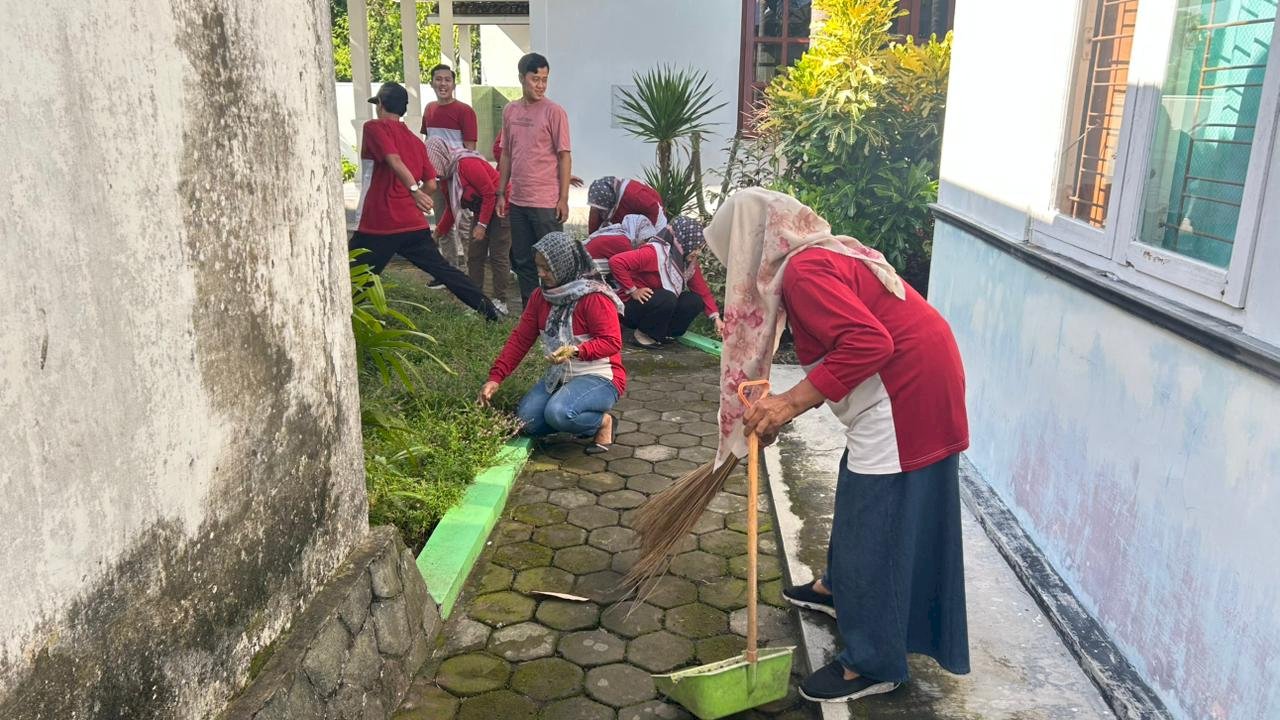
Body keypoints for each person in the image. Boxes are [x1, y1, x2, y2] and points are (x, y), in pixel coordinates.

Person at [708, 187, 970, 704]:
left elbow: (869, 343)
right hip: (910, 380)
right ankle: (837, 590)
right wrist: (783, 405)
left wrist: (788, 404)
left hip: (907, 392)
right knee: (859, 493)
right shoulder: (817, 256)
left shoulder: (805, 274)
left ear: (754, 246)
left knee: (877, 516)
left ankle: (873, 662)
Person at [350, 82, 499, 321]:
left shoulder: (374, 127)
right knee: (445, 271)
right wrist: (415, 196)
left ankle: (344, 320)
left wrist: (413, 192)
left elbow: (394, 160)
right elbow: (431, 184)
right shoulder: (415, 140)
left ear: (380, 105)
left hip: (378, 223)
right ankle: (490, 312)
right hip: (412, 223)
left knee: (353, 277)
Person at [479, 232, 625, 454]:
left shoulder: (594, 297)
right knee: (526, 421)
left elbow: (611, 342)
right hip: (560, 375)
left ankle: (604, 422)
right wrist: (495, 377)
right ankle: (573, 418)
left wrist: (575, 351)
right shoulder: (541, 297)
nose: (540, 273)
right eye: (538, 266)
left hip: (600, 375)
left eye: (547, 268)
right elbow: (520, 340)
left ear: (564, 265)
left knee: (559, 412)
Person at [496, 53, 572, 306]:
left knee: (554, 261)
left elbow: (564, 156)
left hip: (546, 203)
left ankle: (560, 311)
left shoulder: (554, 112)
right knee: (523, 261)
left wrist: (563, 199)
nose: (540, 85)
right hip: (518, 201)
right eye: (535, 79)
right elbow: (506, 153)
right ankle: (531, 312)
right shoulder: (510, 110)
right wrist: (501, 193)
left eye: (544, 79)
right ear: (521, 78)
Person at [608, 216, 724, 347]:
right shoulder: (653, 252)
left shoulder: (688, 264)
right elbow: (616, 262)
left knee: (694, 300)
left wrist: (716, 319)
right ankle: (643, 335)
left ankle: (663, 334)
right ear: (684, 241)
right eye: (695, 247)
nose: (697, 252)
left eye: (700, 248)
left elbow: (703, 292)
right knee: (667, 297)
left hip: (657, 306)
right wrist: (633, 290)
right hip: (632, 307)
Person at [426, 137, 510, 316]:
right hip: (482, 209)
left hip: (502, 206)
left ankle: (500, 301)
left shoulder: (467, 164)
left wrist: (482, 225)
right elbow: (452, 209)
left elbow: (489, 193)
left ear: (441, 157)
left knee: (498, 256)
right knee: (474, 255)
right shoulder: (447, 178)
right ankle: (476, 300)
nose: (435, 171)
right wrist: (437, 233)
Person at [420, 63, 479, 273]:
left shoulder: (465, 111)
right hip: (437, 177)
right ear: (431, 83)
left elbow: (470, 149)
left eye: (447, 79)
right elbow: (428, 141)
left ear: (453, 84)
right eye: (438, 79)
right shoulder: (429, 109)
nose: (443, 84)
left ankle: (472, 272)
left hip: (458, 178)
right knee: (442, 224)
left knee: (464, 224)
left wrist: (465, 178)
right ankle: (449, 271)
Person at [585, 214, 661, 281]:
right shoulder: (624, 243)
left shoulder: (618, 233)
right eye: (645, 239)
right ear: (637, 232)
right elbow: (632, 273)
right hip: (586, 272)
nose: (647, 244)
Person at [587, 176, 666, 232]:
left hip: (655, 219)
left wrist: (647, 238)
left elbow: (654, 209)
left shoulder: (634, 195)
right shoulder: (601, 200)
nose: (599, 212)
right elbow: (594, 220)